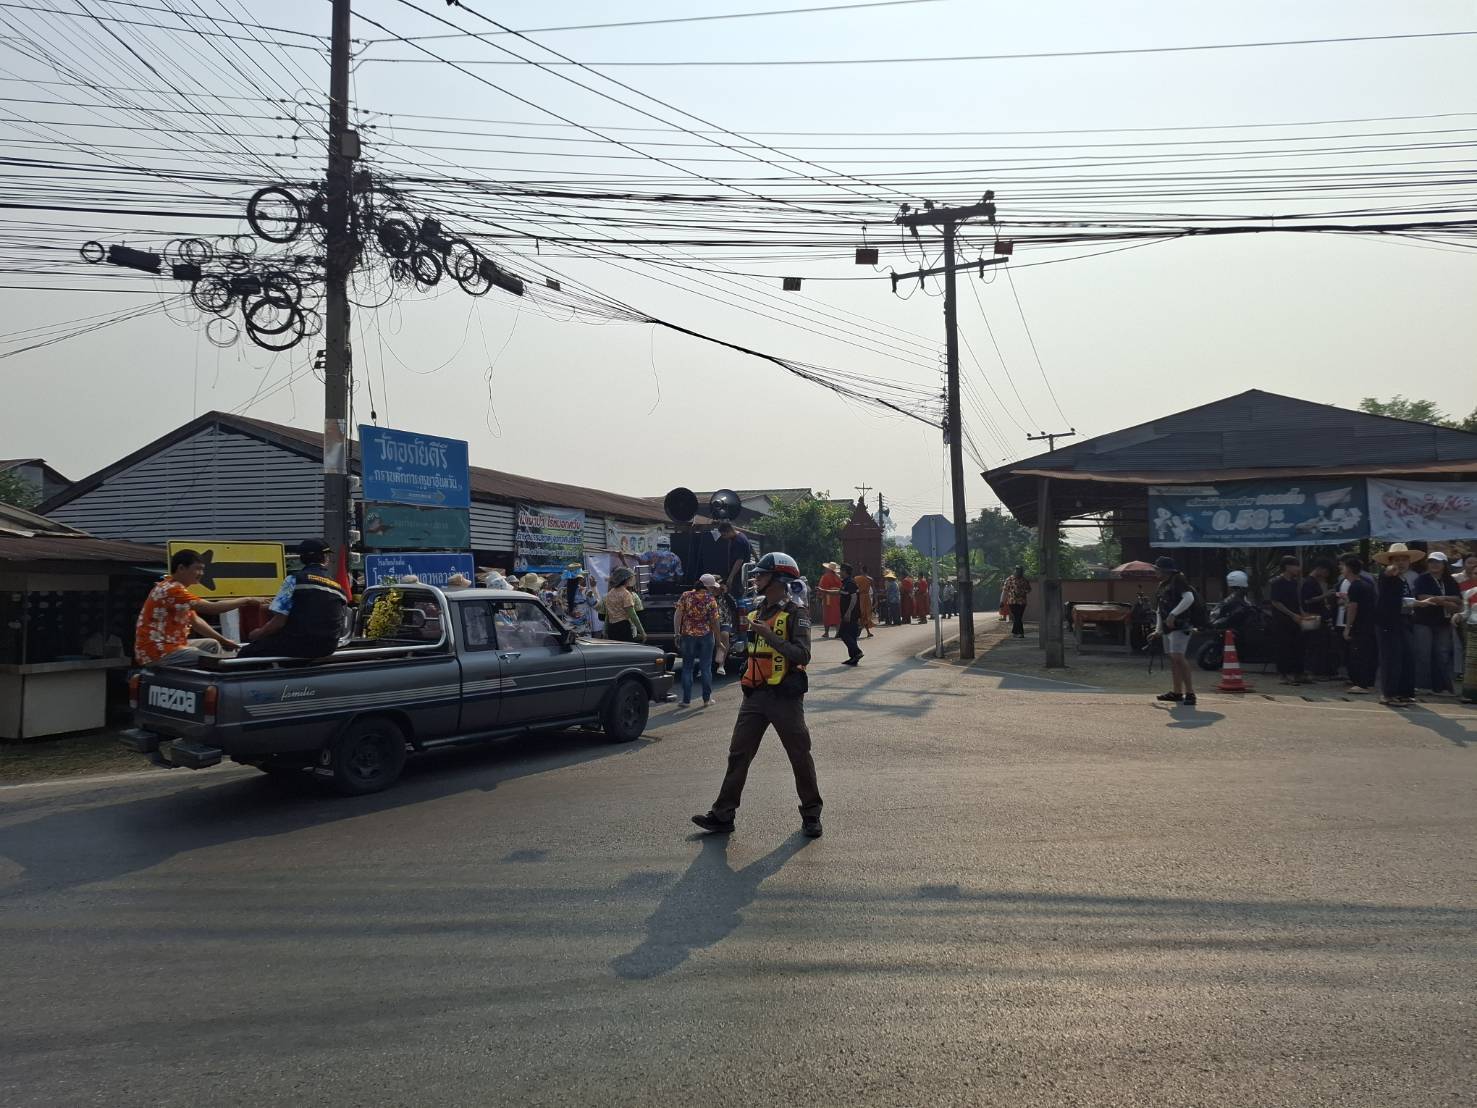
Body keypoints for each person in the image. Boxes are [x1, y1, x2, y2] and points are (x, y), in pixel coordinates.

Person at [692, 551, 823, 839]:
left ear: (778, 579)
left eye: (762, 575)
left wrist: (769, 636)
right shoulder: (757, 611)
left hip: (785, 696)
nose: (756, 579)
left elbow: (803, 655)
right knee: (738, 754)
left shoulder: (796, 613)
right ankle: (723, 815)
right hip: (754, 696)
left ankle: (812, 814)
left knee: (799, 754)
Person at [133, 548, 261, 665]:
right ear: (181, 568)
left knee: (212, 644)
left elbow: (196, 621)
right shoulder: (172, 590)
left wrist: (224, 641)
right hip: (157, 651)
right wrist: (247, 600)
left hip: (171, 646)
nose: (201, 573)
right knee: (214, 660)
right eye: (197, 569)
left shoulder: (174, 588)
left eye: (202, 569)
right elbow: (212, 608)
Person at [238, 538, 349, 660]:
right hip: (328, 647)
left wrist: (258, 633)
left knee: (245, 653)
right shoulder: (338, 588)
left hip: (297, 644)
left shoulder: (294, 580)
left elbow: (279, 622)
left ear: (301, 558)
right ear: (325, 558)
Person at [1373, 544, 1419, 707]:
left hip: (1403, 620)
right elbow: (1388, 572)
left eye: (1404, 559)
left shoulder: (1403, 579)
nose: (1401, 563)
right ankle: (1388, 694)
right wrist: (1391, 569)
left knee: (1407, 657)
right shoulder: (1386, 575)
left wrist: (1421, 603)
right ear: (1390, 562)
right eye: (1397, 560)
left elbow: (1404, 601)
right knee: (1391, 658)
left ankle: (1404, 693)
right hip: (1387, 622)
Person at [1148, 556, 1198, 705]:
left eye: (1157, 569)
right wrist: (1158, 630)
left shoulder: (1178, 580)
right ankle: (1177, 692)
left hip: (1180, 626)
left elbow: (1189, 598)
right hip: (1167, 628)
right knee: (1174, 659)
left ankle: (1190, 693)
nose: (1155, 571)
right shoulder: (1162, 585)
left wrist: (1173, 614)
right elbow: (1159, 609)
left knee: (1178, 657)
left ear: (1165, 570)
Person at [1412, 550, 1461, 694]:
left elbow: (1458, 599)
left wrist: (1441, 598)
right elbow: (1422, 597)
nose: (1434, 564)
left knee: (1442, 654)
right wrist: (1446, 602)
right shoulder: (1422, 579)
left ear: (1444, 564)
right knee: (1423, 653)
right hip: (1423, 621)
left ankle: (1442, 686)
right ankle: (1422, 686)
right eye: (1431, 562)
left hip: (1443, 622)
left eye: (1438, 562)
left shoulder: (1450, 580)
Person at [674, 573, 722, 707]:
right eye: (712, 587)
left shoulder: (686, 596)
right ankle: (707, 699)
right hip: (706, 636)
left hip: (688, 635)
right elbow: (715, 622)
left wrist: (676, 633)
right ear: (708, 587)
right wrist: (719, 640)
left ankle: (686, 700)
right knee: (706, 667)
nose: (713, 589)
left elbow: (678, 615)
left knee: (687, 668)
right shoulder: (710, 600)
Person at [1337, 554, 1379, 693]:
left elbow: (1353, 608)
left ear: (1349, 569)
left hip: (1360, 624)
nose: (1341, 569)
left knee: (1359, 654)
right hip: (1370, 623)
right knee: (1369, 653)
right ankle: (1369, 682)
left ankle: (1361, 683)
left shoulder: (1355, 586)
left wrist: (1348, 627)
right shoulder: (1366, 584)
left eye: (1343, 567)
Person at [1267, 555, 1309, 685]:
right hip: (1282, 620)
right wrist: (1291, 614)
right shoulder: (1277, 582)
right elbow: (1276, 602)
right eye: (1295, 565)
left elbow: (1296, 601)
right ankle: (1283, 675)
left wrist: (1302, 613)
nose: (1298, 568)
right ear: (1287, 567)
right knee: (1283, 647)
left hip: (1296, 620)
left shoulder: (1294, 582)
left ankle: (1298, 674)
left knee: (1298, 647)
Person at [1300, 558, 1338, 679]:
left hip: (1319, 616)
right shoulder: (1309, 582)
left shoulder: (1317, 582)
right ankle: (1312, 671)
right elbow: (1307, 600)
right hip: (1311, 616)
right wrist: (1325, 595)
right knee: (1313, 644)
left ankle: (1322, 670)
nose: (1326, 575)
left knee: (1322, 644)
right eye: (1326, 572)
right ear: (1320, 569)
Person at [1209, 570, 1255, 644]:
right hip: (1231, 634)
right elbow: (1218, 617)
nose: (1248, 587)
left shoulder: (1241, 600)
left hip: (1241, 635)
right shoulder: (1232, 600)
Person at [601, 567, 644, 642]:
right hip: (623, 627)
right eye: (630, 578)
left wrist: (605, 631)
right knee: (626, 648)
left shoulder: (609, 594)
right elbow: (633, 615)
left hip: (612, 627)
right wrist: (642, 632)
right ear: (626, 579)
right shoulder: (626, 594)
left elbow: (608, 615)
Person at [718, 521, 753, 598]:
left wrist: (731, 577)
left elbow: (739, 560)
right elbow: (751, 547)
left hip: (739, 575)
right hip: (742, 574)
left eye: (724, 535)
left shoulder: (738, 541)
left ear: (729, 531)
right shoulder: (741, 535)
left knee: (737, 597)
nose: (723, 537)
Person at [837, 562, 863, 666]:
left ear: (845, 571)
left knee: (843, 633)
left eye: (841, 571)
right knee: (851, 635)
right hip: (849, 613)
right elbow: (840, 593)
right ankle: (853, 659)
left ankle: (857, 652)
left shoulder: (850, 583)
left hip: (851, 614)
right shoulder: (846, 583)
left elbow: (854, 598)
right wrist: (824, 591)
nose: (840, 573)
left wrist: (848, 612)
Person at [1002, 566, 1030, 639]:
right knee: (1017, 617)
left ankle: (1015, 632)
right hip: (1012, 602)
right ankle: (1020, 633)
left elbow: (1028, 590)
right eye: (1017, 570)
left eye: (1020, 571)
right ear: (1014, 571)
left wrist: (1022, 592)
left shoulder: (1024, 580)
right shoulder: (1009, 579)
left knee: (1018, 617)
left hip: (1022, 602)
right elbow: (1004, 591)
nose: (1018, 572)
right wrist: (1002, 601)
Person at [817, 561, 843, 640]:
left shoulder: (825, 576)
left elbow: (822, 587)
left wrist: (820, 595)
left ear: (828, 569)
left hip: (828, 597)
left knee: (827, 615)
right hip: (837, 597)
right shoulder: (839, 577)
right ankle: (838, 632)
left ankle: (826, 632)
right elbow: (841, 587)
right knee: (837, 614)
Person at [855, 564, 876, 638]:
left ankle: (862, 630)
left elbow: (855, 588)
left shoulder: (857, 578)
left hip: (859, 597)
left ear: (861, 570)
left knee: (861, 614)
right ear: (867, 571)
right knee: (866, 615)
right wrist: (875, 600)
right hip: (867, 598)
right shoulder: (870, 579)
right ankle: (867, 632)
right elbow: (874, 590)